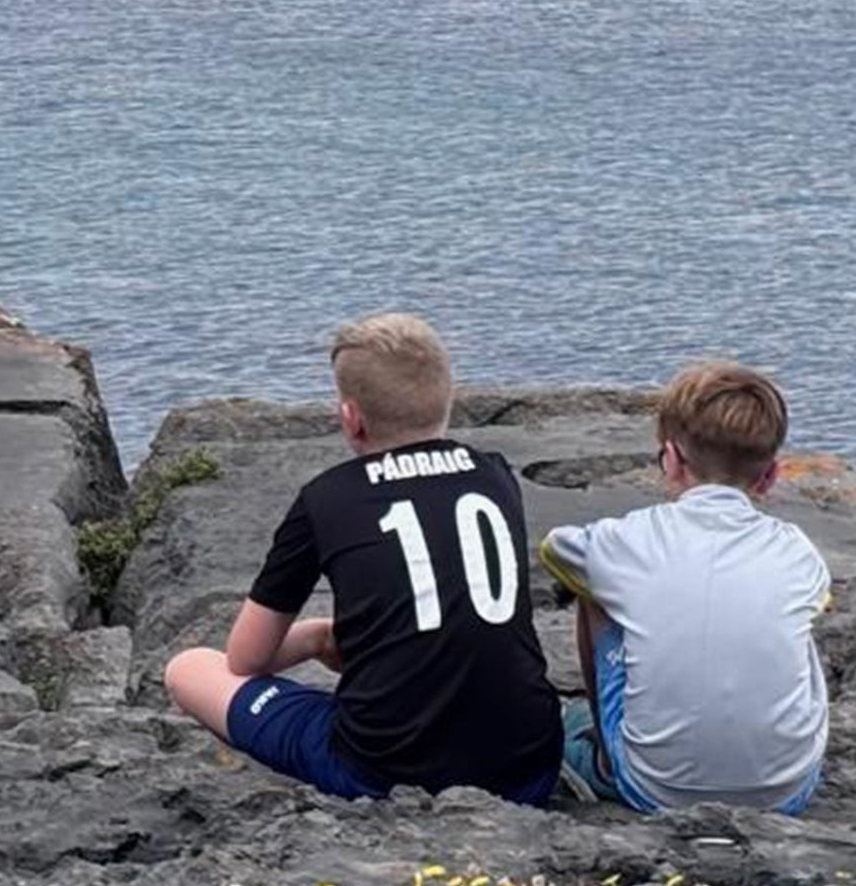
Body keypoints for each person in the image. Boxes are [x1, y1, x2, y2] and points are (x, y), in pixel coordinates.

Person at [163, 313, 562, 804]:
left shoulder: (326, 498)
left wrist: (318, 637)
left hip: (381, 773)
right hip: (528, 767)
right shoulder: (495, 475)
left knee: (190, 668)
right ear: (447, 399)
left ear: (351, 417)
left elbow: (247, 658)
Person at [541, 361, 830, 813]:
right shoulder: (797, 551)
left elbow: (555, 550)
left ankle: (601, 752)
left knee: (593, 589)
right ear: (771, 476)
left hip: (654, 789)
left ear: (671, 460)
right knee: (795, 612)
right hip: (785, 793)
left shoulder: (625, 540)